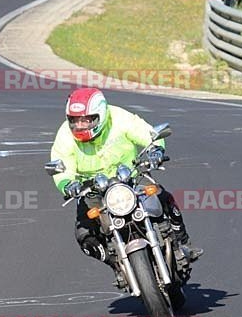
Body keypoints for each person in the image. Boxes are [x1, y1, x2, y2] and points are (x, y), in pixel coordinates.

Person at [49, 87, 202, 277]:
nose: (80, 126)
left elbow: (148, 134)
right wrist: (68, 184)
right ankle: (117, 264)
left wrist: (155, 151)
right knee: (84, 236)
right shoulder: (65, 135)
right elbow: (60, 165)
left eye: (86, 120)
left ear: (101, 115)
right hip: (92, 191)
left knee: (162, 196)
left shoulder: (120, 118)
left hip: (130, 180)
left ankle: (182, 241)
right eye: (74, 120)